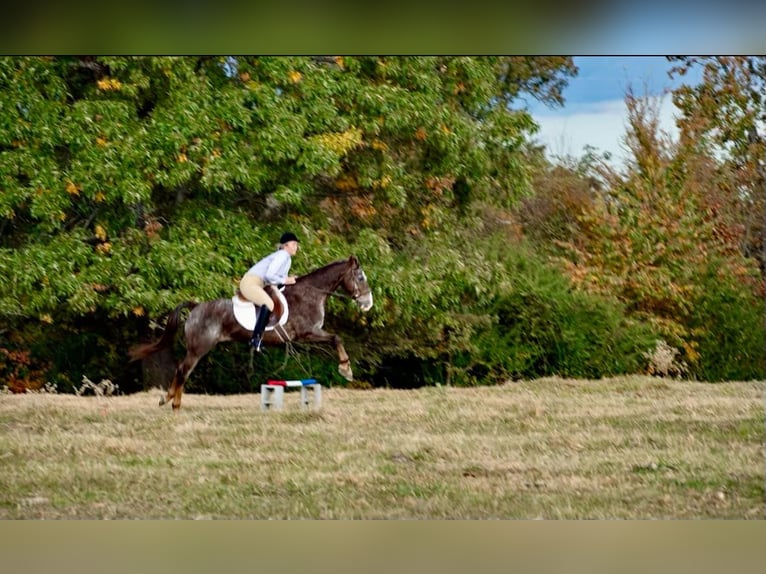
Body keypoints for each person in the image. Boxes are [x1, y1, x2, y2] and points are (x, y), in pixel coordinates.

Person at [240, 231, 299, 351]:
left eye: (296, 245)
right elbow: (269, 275)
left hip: (258, 283)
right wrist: (286, 280)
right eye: (294, 244)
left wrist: (288, 280)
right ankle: (255, 339)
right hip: (250, 282)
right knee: (268, 304)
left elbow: (278, 281)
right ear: (285, 245)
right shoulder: (282, 255)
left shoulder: (287, 259)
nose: (296, 247)